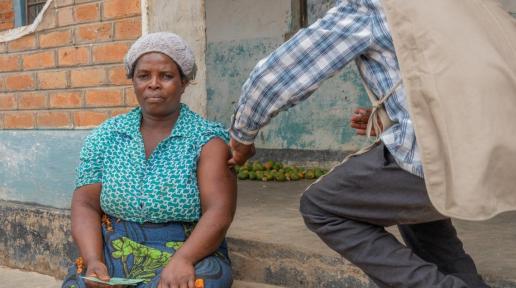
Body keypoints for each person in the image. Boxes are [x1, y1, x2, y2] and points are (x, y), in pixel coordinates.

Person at [227, 1, 491, 287]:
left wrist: (242, 135)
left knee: (321, 207)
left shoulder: (367, 6)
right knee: (407, 205)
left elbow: (276, 77)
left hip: (440, 152)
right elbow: (454, 75)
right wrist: (393, 114)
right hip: (493, 146)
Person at [62, 32, 236, 288]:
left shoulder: (207, 140)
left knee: (201, 282)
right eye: (144, 75)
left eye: (166, 76)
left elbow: (219, 211)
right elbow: (85, 204)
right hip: (115, 250)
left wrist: (184, 259)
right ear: (133, 80)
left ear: (184, 82)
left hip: (188, 250)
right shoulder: (106, 135)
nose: (153, 84)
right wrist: (93, 259)